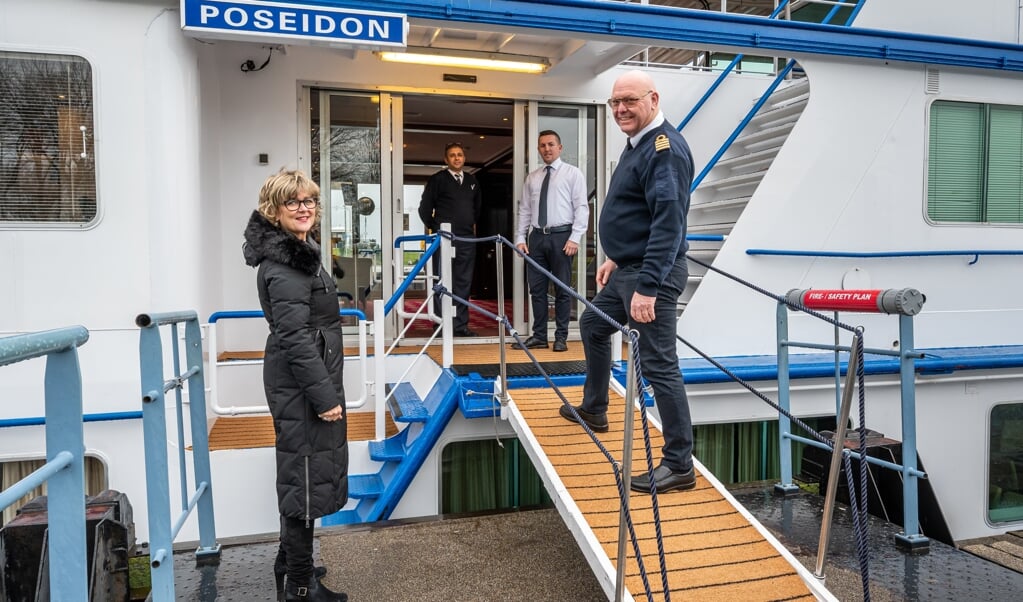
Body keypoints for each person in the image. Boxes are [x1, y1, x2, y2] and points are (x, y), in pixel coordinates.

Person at [559, 70, 697, 494]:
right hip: (629, 268)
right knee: (594, 326)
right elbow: (638, 212)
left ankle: (679, 465)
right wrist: (615, 256)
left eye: (629, 101)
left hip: (649, 275)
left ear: (653, 99)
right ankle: (596, 407)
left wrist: (649, 287)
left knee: (659, 365)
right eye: (614, 102)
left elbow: (667, 224)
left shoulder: (664, 150)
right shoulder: (637, 145)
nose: (620, 109)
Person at [243, 169, 349, 602]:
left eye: (309, 201)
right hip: (303, 385)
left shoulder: (301, 252)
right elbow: (295, 338)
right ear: (274, 211)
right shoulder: (286, 264)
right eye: (293, 202)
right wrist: (324, 397)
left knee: (304, 473)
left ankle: (290, 565)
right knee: (304, 479)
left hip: (306, 380)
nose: (304, 208)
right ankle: (301, 588)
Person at [513, 130, 589, 352]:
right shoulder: (533, 177)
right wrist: (520, 238)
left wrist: (575, 237)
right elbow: (525, 210)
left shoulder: (573, 174)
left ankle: (561, 337)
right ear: (538, 149)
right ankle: (539, 336)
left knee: (562, 289)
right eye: (543, 145)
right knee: (536, 289)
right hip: (536, 238)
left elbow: (581, 208)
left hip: (562, 237)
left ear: (560, 148)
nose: (547, 149)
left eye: (551, 144)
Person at [418, 142, 483, 337]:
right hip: (444, 240)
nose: (457, 158)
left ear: (464, 158)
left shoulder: (472, 181)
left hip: (466, 240)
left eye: (460, 155)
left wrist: (468, 226)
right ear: (446, 160)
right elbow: (424, 209)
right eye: (452, 155)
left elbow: (476, 210)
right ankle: (440, 325)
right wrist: (436, 228)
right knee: (442, 281)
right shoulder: (437, 180)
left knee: (463, 282)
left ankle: (460, 326)